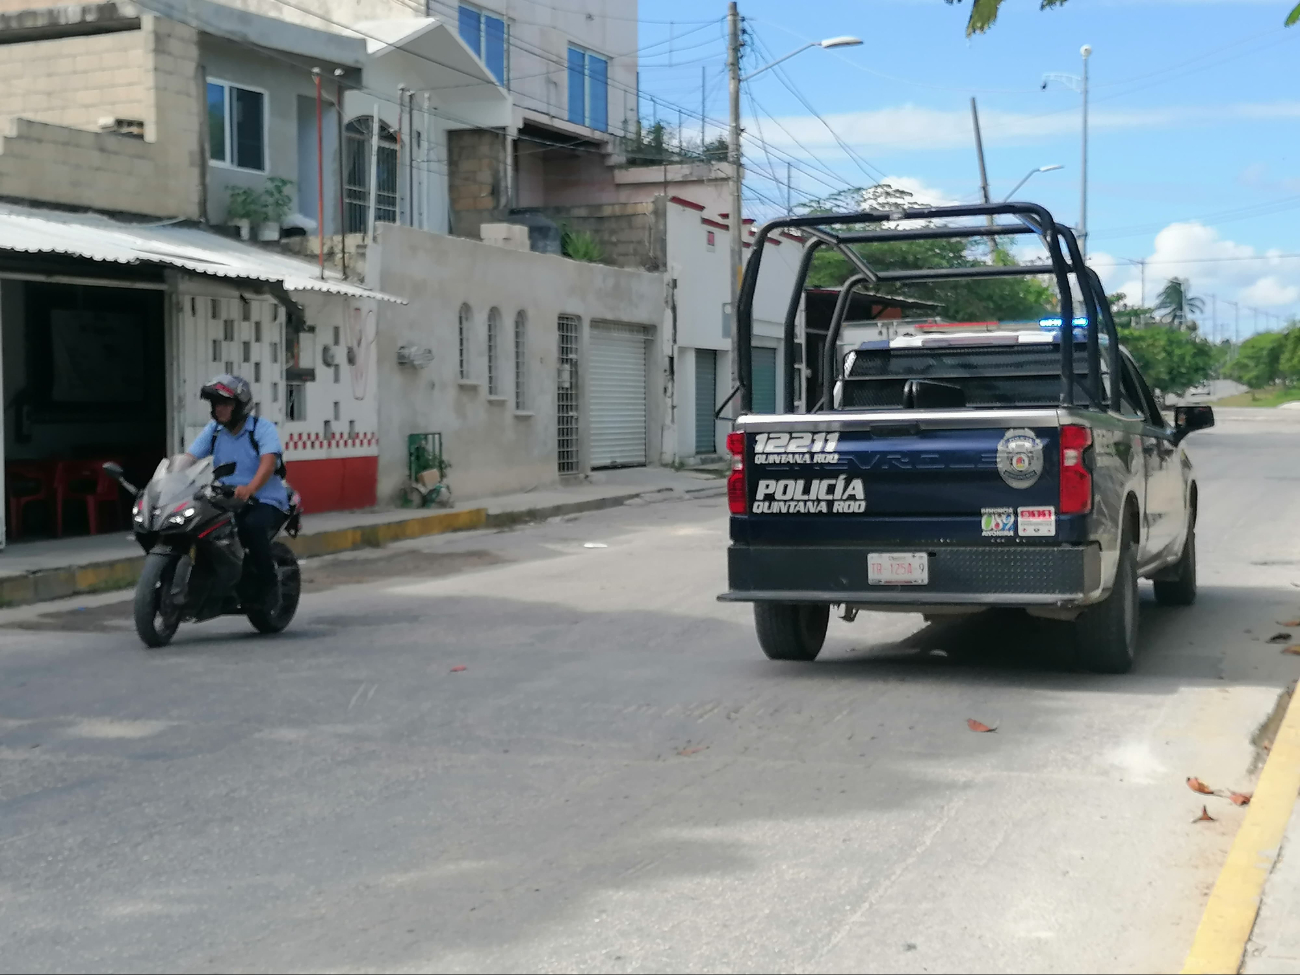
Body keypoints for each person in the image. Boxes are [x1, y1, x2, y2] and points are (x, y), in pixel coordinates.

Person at [183, 374, 289, 612]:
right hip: (225, 499)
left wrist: (250, 488)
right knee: (198, 527)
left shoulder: (261, 428)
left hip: (264, 498)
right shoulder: (215, 430)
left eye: (225, 404)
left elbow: (268, 462)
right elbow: (190, 458)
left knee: (251, 527)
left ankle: (269, 585)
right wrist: (171, 475)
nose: (219, 409)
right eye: (216, 404)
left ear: (240, 406)